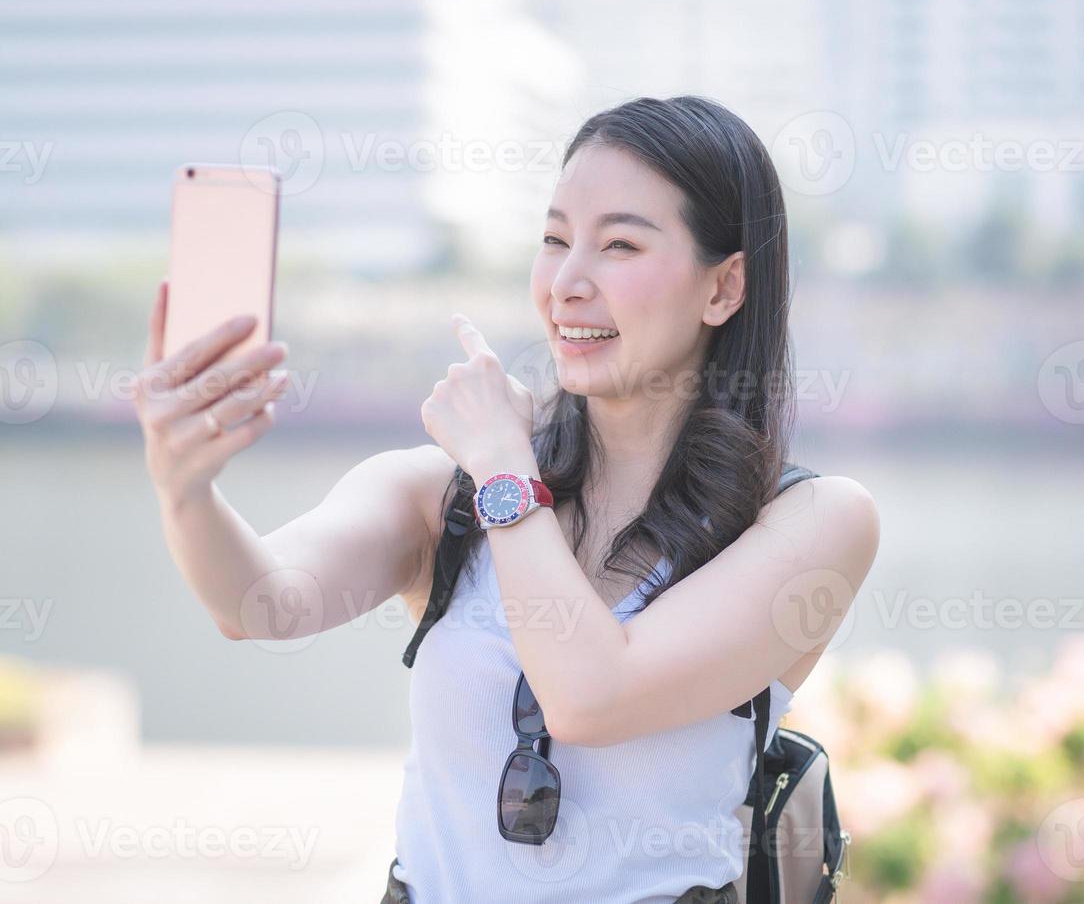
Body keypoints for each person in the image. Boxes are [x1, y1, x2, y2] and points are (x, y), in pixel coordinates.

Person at [128, 95, 880, 903]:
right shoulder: (441, 494)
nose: (566, 282)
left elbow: (591, 695)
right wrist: (186, 489)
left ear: (725, 286)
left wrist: (503, 471)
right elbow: (260, 604)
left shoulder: (811, 522)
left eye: (619, 244)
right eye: (554, 240)